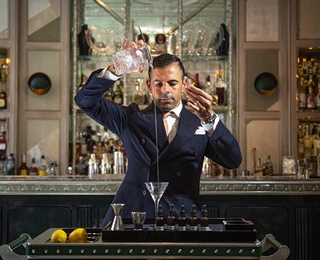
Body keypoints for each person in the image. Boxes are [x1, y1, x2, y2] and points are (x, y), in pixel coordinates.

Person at [75, 39, 242, 227]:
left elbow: (233, 160)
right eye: (158, 84)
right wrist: (117, 68)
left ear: (185, 83)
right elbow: (84, 100)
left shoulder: (200, 122)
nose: (165, 91)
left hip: (181, 219)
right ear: (148, 85)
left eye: (172, 83)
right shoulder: (131, 118)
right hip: (134, 217)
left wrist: (211, 120)